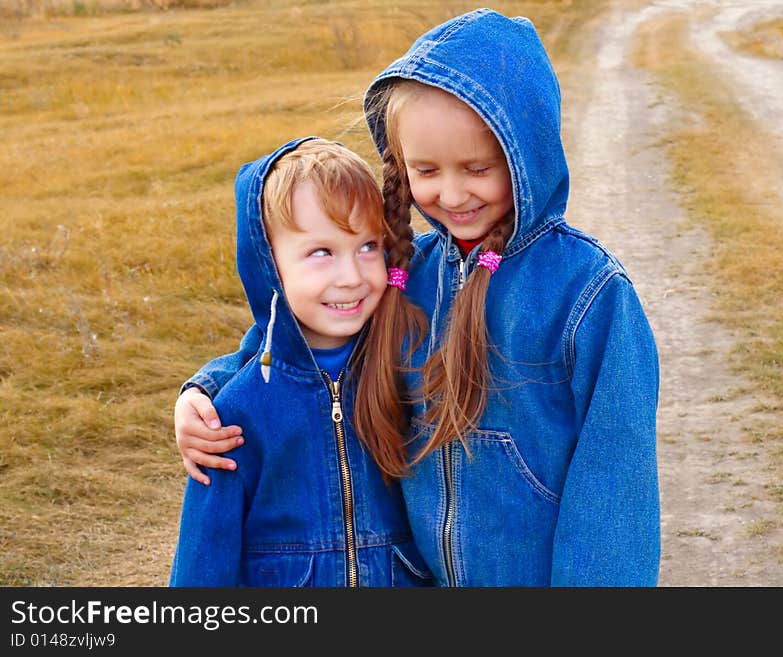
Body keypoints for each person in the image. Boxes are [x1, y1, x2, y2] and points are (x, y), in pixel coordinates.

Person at [174, 9, 661, 586]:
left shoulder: (588, 296)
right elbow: (308, 344)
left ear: (524, 152)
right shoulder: (408, 274)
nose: (452, 195)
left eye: (477, 168)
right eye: (426, 169)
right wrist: (203, 392)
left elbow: (615, 486)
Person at [169, 137, 432, 587]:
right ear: (269, 265)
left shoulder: (408, 365)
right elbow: (203, 558)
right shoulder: (232, 414)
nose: (351, 277)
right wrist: (203, 388)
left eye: (368, 246)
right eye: (321, 252)